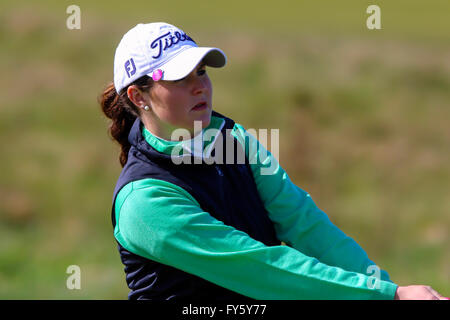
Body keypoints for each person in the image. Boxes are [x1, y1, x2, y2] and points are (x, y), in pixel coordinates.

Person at [99, 22, 447, 300]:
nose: (200, 86)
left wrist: (386, 289)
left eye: (202, 71)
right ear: (138, 96)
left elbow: (305, 224)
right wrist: (386, 297)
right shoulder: (144, 201)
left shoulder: (235, 141)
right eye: (180, 77)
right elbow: (262, 269)